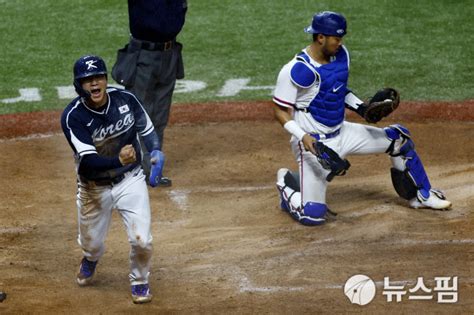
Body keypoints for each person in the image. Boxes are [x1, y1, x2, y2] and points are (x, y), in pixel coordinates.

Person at [272, 11, 452, 226]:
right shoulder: (297, 70)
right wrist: (304, 138)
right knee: (313, 215)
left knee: (398, 138)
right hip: (315, 144)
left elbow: (337, 90)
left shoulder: (340, 56)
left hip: (343, 132)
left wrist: (362, 108)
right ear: (320, 37)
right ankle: (286, 185)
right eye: (336, 38)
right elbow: (280, 111)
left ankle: (422, 195)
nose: (340, 43)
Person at [61, 55, 165, 303]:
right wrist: (119, 159)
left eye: (98, 77)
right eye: (87, 80)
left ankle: (140, 281)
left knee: (142, 240)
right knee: (92, 244)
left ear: (106, 79)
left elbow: (147, 128)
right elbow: (87, 160)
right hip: (93, 188)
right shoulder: (73, 117)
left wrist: (156, 152)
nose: (94, 84)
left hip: (130, 179)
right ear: (79, 86)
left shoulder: (125, 99)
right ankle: (90, 258)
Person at [112, 0, 188, 187]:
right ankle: (129, 169)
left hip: (170, 54)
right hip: (143, 54)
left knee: (160, 117)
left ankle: (151, 169)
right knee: (138, 114)